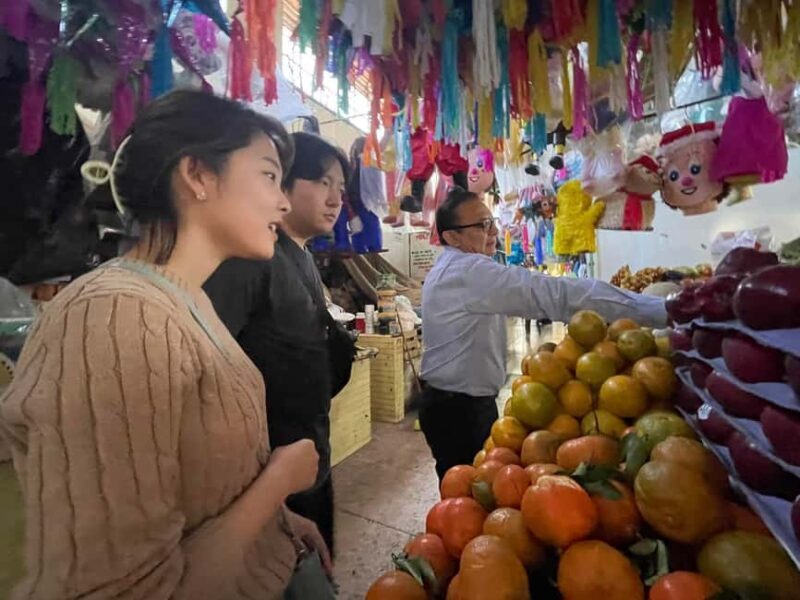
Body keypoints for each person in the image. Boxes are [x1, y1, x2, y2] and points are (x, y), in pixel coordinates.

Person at [0, 90, 329, 599]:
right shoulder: (114, 315)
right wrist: (278, 482)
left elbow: (196, 478)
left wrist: (279, 525)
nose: (283, 201)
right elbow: (128, 589)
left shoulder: (184, 298)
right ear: (198, 174)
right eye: (268, 174)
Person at [420, 187, 668, 481]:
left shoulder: (456, 267)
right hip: (459, 410)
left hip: (453, 402)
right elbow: (554, 295)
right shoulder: (468, 271)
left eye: (491, 222)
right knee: (466, 494)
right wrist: (661, 310)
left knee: (465, 488)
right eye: (481, 225)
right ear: (452, 236)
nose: (493, 231)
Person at [204, 132, 351, 555]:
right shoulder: (251, 260)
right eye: (323, 182)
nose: (336, 198)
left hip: (307, 462)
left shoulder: (300, 256)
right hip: (263, 479)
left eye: (340, 188)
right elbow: (210, 369)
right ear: (283, 183)